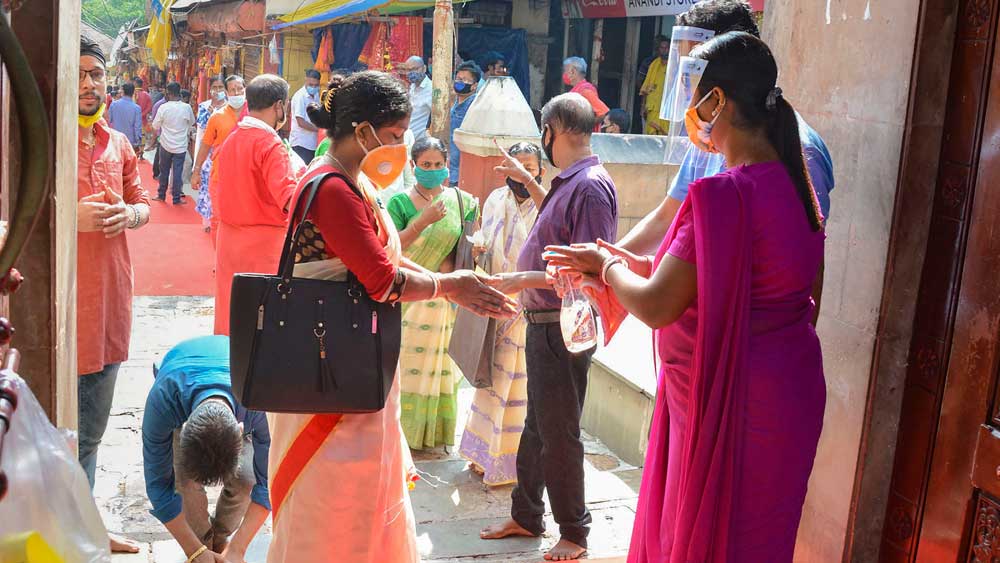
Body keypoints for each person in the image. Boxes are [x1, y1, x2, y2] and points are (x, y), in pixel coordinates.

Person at [545, 31, 827, 563]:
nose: (687, 111)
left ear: (717, 101)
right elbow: (795, 292)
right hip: (787, 390)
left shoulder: (726, 195)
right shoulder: (798, 186)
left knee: (704, 536)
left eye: (694, 93)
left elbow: (657, 305)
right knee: (761, 537)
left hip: (731, 400)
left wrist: (605, 266)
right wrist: (638, 267)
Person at [265, 70, 516, 563]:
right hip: (329, 374)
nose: (401, 147)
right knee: (333, 499)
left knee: (362, 493)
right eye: (397, 136)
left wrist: (457, 288)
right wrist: (449, 286)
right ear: (363, 132)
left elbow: (385, 261)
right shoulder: (332, 187)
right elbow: (381, 280)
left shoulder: (353, 182)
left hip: (353, 364)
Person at [617, 0, 835, 317]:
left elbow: (805, 276)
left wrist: (608, 267)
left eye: (693, 76)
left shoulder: (799, 155)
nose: (687, 95)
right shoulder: (710, 136)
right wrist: (609, 255)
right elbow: (668, 217)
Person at [480, 93, 618, 562]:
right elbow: (556, 229)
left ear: (552, 129)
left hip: (561, 325)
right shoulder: (570, 183)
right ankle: (526, 514)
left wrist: (520, 278)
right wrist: (528, 181)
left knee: (558, 431)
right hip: (541, 323)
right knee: (537, 428)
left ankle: (574, 532)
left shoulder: (592, 186)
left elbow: (590, 270)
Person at [77, 35, 151, 555]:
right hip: (53, 316)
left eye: (96, 75)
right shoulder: (29, 139)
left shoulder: (118, 143)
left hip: (108, 306)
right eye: (79, 73)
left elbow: (142, 200)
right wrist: (67, 216)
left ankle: (84, 525)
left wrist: (132, 214)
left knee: (91, 434)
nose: (88, 84)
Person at [458, 142, 543, 486]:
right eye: (515, 165)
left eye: (529, 166)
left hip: (532, 307)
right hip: (497, 304)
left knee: (522, 388)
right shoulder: (494, 200)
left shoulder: (546, 203)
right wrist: (477, 251)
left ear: (540, 169)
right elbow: (485, 247)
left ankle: (512, 465)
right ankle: (482, 456)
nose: (522, 172)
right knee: (491, 383)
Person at [143, 336, 270, 563]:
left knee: (246, 478)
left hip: (238, 385)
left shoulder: (260, 402)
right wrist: (194, 550)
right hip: (181, 378)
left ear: (242, 431)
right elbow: (159, 489)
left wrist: (238, 549)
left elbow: (268, 484)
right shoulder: (163, 403)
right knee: (185, 483)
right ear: (181, 430)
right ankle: (203, 544)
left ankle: (220, 542)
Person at [387, 137, 478, 450]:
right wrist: (422, 221)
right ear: (413, 166)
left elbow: (461, 249)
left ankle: (432, 434)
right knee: (404, 368)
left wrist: (450, 283)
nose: (433, 170)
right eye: (426, 165)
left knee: (439, 369)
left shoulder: (461, 202)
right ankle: (401, 435)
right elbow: (390, 249)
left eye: (438, 165)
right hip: (407, 294)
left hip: (442, 297)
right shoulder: (398, 203)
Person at [210, 74, 301, 336]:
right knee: (263, 322)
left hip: (229, 240)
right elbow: (288, 199)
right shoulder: (269, 144)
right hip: (263, 247)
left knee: (231, 312)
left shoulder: (233, 137)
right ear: (279, 106)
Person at [194, 75, 246, 234]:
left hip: (246, 177)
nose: (236, 93)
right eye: (232, 90)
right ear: (227, 92)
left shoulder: (255, 114)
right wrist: (196, 171)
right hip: (220, 176)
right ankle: (220, 256)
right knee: (218, 219)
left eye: (240, 89)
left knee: (242, 220)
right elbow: (205, 144)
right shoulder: (217, 116)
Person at [152, 82, 195, 205]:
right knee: (177, 172)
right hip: (181, 145)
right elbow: (191, 122)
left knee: (164, 170)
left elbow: (155, 125)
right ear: (179, 92)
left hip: (165, 144)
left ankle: (161, 195)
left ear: (168, 93)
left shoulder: (163, 108)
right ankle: (176, 198)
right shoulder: (186, 107)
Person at [449, 61, 481, 186]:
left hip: (462, 169)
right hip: (450, 166)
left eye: (464, 80)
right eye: (457, 79)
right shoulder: (453, 102)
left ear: (474, 85)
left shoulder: (475, 105)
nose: (459, 82)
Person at [562, 57, 609, 129]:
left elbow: (603, 113)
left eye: (565, 71)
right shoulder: (577, 89)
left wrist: (581, 126)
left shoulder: (585, 91)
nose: (564, 74)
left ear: (573, 71)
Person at [638, 35, 672, 135]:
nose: (664, 50)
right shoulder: (653, 65)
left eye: (667, 48)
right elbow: (645, 88)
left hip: (666, 109)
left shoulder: (675, 66)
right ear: (658, 49)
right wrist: (643, 106)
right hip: (652, 108)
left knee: (665, 137)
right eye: (662, 48)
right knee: (650, 138)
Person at [289, 69, 322, 165]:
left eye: (316, 85)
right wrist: (318, 129)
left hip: (312, 143)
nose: (313, 87)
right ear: (306, 80)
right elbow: (300, 122)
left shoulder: (316, 94)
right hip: (301, 143)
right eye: (311, 85)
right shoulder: (300, 96)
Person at [400, 56, 432, 142]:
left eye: (415, 69)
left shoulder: (430, 89)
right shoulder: (412, 87)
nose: (411, 73)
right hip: (409, 140)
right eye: (408, 70)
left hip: (420, 142)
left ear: (424, 68)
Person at [106, 82, 143, 155]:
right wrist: (138, 141)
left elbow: (109, 120)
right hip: (130, 140)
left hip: (116, 138)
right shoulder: (136, 108)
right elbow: (137, 127)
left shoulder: (114, 105)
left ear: (122, 92)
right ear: (133, 93)